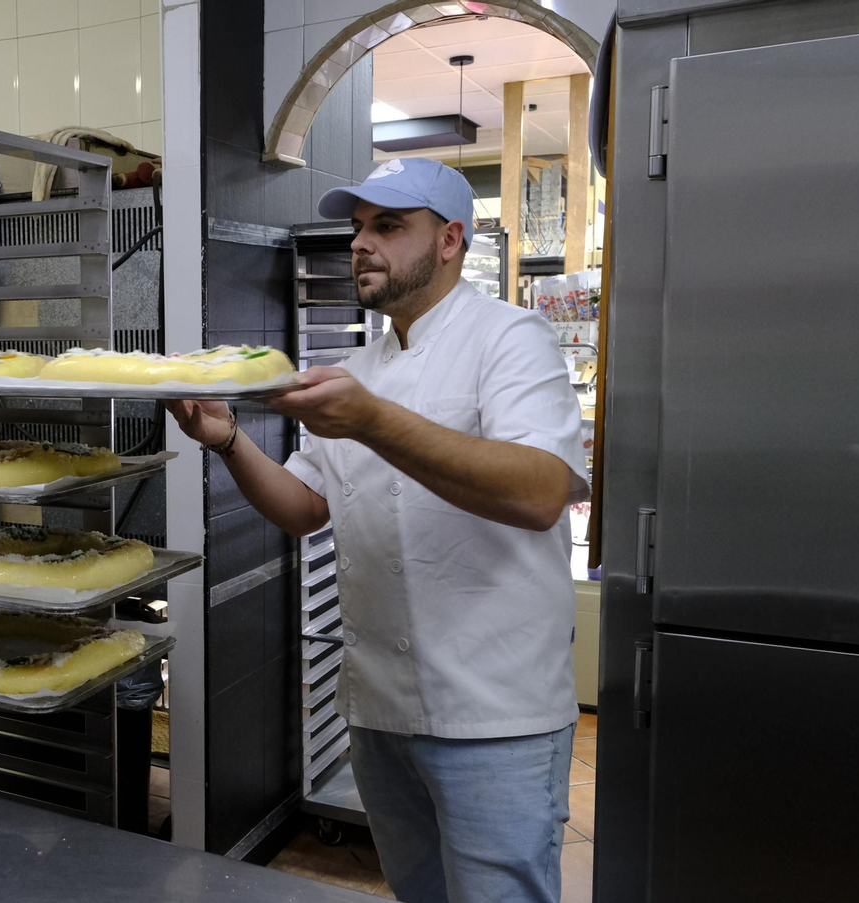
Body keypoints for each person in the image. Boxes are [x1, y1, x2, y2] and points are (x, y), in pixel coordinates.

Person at [168, 157, 588, 903]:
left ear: (451, 239)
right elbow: (304, 505)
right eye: (359, 227)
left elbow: (541, 492)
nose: (361, 243)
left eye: (388, 226)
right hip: (381, 711)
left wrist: (371, 419)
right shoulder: (361, 365)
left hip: (495, 715)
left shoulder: (511, 339)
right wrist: (228, 439)